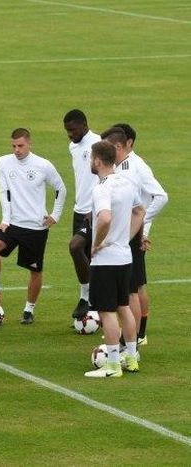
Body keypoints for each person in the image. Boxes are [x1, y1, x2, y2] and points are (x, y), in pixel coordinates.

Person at [0, 128, 66, 324]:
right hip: (12, 224)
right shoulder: (3, 162)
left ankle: (29, 309)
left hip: (36, 227)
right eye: (14, 146)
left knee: (35, 270)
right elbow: (4, 192)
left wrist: (55, 215)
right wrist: (5, 220)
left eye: (20, 146)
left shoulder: (43, 165)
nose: (17, 150)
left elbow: (61, 188)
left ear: (29, 144)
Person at [85, 141, 145, 378]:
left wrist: (97, 244)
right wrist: (127, 236)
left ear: (98, 160)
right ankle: (131, 357)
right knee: (124, 307)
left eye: (91, 158)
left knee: (106, 311)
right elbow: (140, 211)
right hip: (124, 256)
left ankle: (112, 365)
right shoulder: (127, 183)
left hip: (106, 260)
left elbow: (105, 218)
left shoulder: (101, 188)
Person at [102, 126, 167, 343]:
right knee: (133, 287)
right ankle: (136, 335)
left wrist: (141, 226)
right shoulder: (121, 166)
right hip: (126, 233)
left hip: (130, 235)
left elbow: (160, 197)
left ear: (122, 145)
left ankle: (136, 337)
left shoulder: (135, 166)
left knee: (132, 289)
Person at [63, 109, 101, 319]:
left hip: (93, 211)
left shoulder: (98, 143)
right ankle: (87, 298)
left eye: (73, 129)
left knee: (75, 246)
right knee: (84, 256)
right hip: (79, 209)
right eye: (67, 131)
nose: (69, 134)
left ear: (84, 125)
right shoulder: (73, 146)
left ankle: (89, 296)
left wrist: (96, 207)